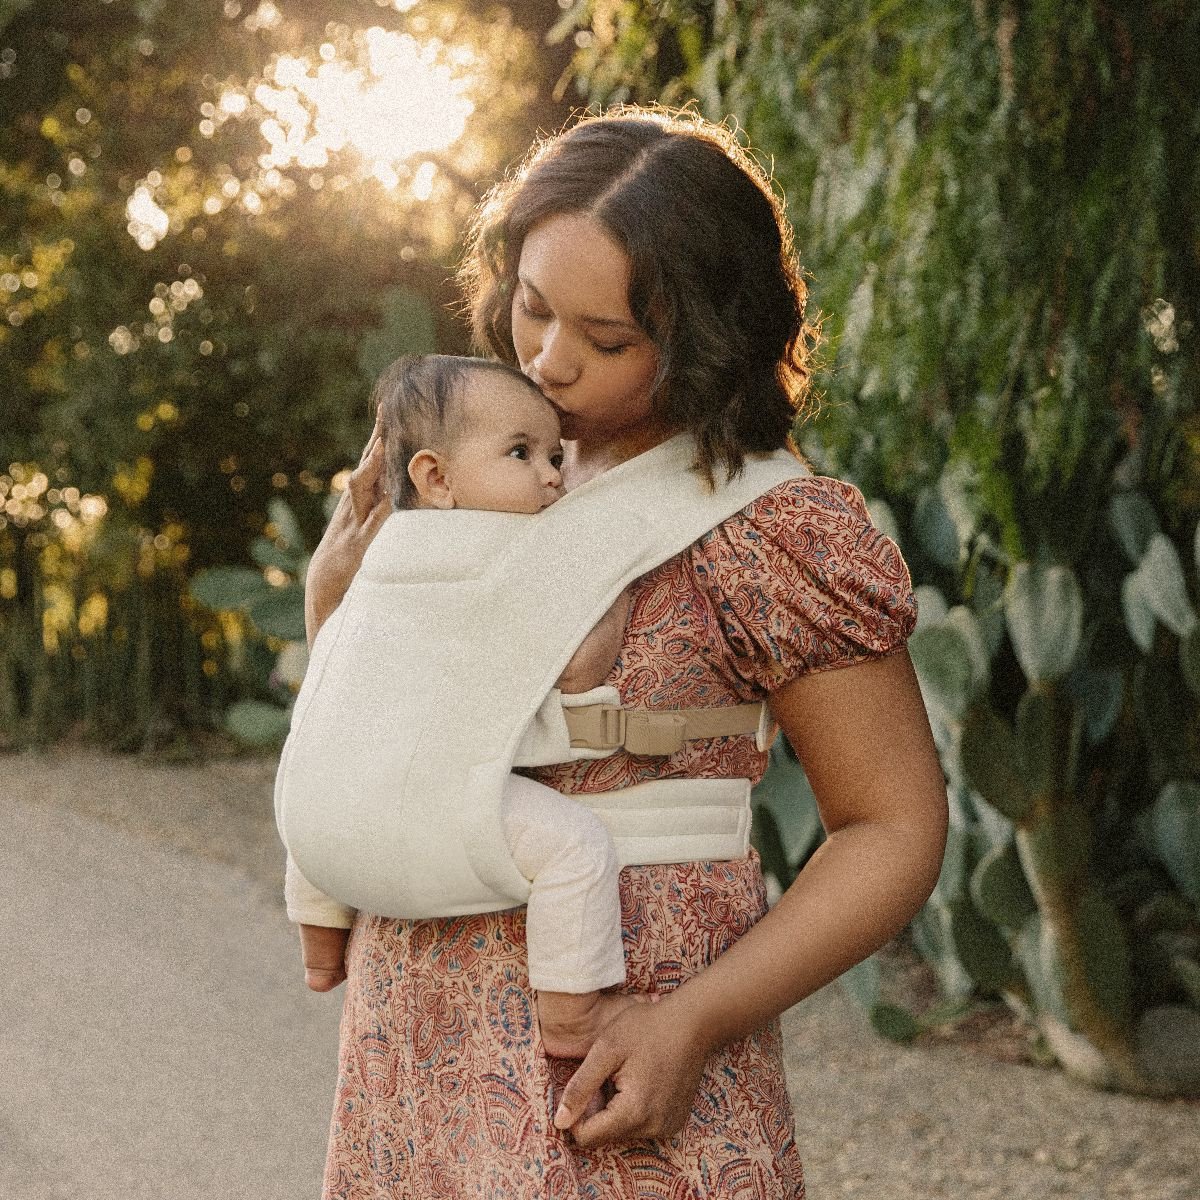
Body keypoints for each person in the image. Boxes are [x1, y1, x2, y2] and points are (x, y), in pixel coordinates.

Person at [301, 106, 948, 1199]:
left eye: (607, 341)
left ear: (707, 336)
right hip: (415, 1038)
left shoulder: (766, 527)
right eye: (533, 307)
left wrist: (692, 1022)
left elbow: (893, 826)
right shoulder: (458, 467)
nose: (549, 363)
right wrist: (332, 603)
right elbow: (374, 725)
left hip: (631, 1052)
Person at [288, 351, 638, 1060]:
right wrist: (614, 582)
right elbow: (577, 674)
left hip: (315, 815)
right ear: (436, 478)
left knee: (328, 780)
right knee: (576, 849)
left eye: (554, 458)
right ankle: (571, 1016)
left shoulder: (373, 554)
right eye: (522, 452)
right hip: (440, 805)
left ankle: (321, 950)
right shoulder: (516, 552)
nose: (550, 474)